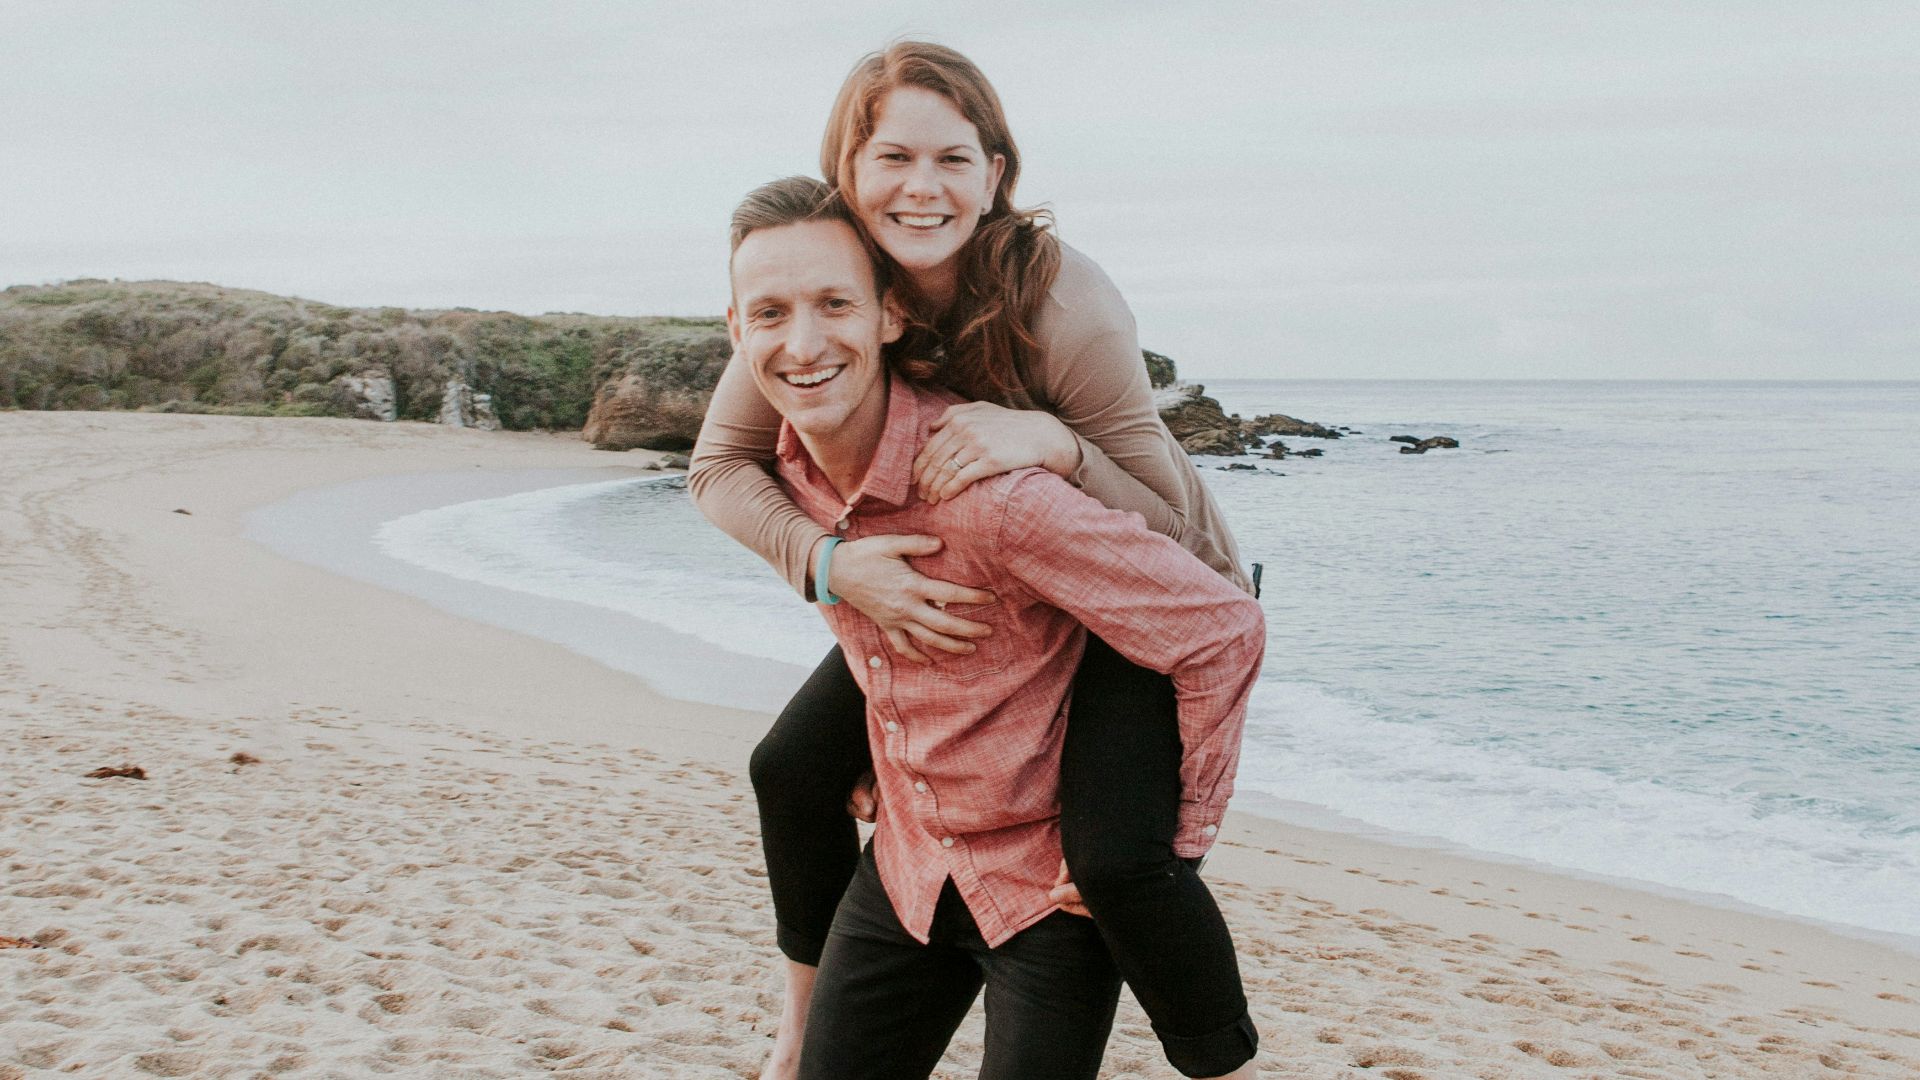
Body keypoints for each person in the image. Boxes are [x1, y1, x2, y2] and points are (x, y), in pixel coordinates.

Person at [692, 42, 1263, 1079]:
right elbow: (721, 468)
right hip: (997, 567)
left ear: (996, 173)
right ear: (846, 168)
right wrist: (831, 565)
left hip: (1145, 576)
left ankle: (1210, 1040)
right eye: (893, 157)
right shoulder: (821, 287)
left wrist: (1055, 444)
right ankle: (801, 1028)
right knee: (793, 769)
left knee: (1113, 861)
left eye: (953, 158)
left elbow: (1171, 535)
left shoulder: (1062, 302)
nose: (922, 187)